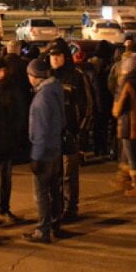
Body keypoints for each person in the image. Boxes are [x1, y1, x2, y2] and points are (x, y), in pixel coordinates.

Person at [48, 42, 92, 221]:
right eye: (52, 56)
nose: (55, 59)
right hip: (51, 134)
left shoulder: (76, 76)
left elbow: (87, 105)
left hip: (71, 133)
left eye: (58, 55)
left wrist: (81, 131)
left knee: (69, 175)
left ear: (66, 57)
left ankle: (70, 208)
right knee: (53, 174)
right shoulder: (47, 76)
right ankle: (55, 208)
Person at [23, 59, 65, 244]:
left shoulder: (41, 98)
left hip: (45, 150)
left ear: (35, 76)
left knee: (41, 192)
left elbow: (40, 130)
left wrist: (36, 156)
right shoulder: (55, 90)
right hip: (55, 146)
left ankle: (43, 230)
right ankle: (56, 224)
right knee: (55, 190)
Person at [0, 57, 26, 225]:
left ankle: (4, 208)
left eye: (3, 70)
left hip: (8, 139)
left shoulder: (13, 88)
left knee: (5, 178)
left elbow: (20, 113)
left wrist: (17, 132)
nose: (1, 74)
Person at [112, 56, 136, 197]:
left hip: (129, 122)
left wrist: (115, 111)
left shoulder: (127, 82)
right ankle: (126, 179)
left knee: (130, 153)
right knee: (132, 152)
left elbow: (118, 106)